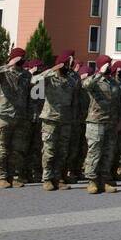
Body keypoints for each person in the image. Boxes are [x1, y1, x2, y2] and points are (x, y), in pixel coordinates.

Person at [34, 51, 80, 190]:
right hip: (50, 119)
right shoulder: (48, 78)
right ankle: (47, 179)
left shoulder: (71, 80)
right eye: (65, 64)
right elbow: (33, 80)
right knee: (49, 150)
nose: (68, 66)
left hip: (65, 120)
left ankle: (58, 177)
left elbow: (75, 100)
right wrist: (51, 70)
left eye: (68, 64)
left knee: (62, 151)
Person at [0, 48, 31, 188]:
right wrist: (9, 64)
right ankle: (2, 176)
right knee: (2, 148)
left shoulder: (26, 75)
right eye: (20, 58)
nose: (22, 61)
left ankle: (13, 176)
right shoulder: (4, 73)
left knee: (17, 149)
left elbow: (29, 95)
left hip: (20, 116)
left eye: (23, 58)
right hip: (4, 115)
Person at [82, 55, 120, 193]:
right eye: (107, 64)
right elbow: (85, 85)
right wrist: (99, 73)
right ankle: (92, 181)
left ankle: (104, 180)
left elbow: (117, 103)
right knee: (94, 151)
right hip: (96, 121)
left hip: (111, 121)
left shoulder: (114, 83)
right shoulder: (95, 80)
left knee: (108, 152)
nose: (110, 67)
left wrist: (118, 121)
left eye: (110, 64)